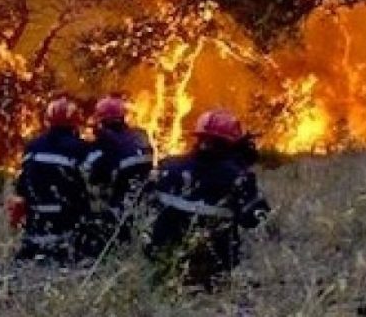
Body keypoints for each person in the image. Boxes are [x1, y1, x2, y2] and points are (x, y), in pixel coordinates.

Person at [145, 108, 270, 290]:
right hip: (212, 270)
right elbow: (256, 219)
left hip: (164, 262)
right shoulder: (238, 177)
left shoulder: (167, 166)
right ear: (231, 144)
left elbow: (146, 203)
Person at [10, 96, 103, 262]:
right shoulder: (80, 148)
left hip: (35, 227)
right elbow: (97, 177)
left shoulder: (32, 147)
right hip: (67, 225)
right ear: (75, 121)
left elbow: (21, 186)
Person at [84, 95, 155, 239]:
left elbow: (92, 174)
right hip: (143, 205)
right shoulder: (141, 136)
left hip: (117, 210)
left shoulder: (105, 144)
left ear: (102, 120)